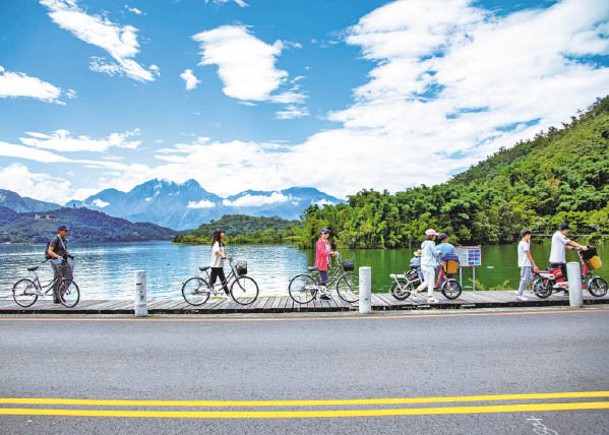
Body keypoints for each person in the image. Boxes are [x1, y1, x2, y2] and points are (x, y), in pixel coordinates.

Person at [414, 229, 441, 303]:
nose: (435, 237)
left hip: (423, 264)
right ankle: (430, 297)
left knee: (427, 281)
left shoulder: (424, 243)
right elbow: (435, 253)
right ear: (431, 236)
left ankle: (416, 292)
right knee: (431, 281)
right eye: (435, 235)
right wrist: (439, 252)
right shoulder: (431, 243)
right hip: (429, 265)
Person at [47, 225, 72, 304]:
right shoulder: (55, 239)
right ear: (60, 231)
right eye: (65, 231)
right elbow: (49, 251)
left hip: (64, 261)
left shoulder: (64, 240)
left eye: (67, 231)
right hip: (56, 261)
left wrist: (69, 255)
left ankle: (61, 294)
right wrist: (58, 256)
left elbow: (64, 250)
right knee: (58, 278)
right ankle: (56, 297)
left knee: (69, 277)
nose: (66, 232)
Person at [516, 229, 538, 301]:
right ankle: (520, 294)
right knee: (524, 279)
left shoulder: (522, 242)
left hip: (525, 264)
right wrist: (534, 264)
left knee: (530, 278)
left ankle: (520, 290)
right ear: (525, 235)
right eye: (528, 235)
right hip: (525, 264)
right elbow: (528, 255)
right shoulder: (524, 244)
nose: (530, 237)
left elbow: (528, 243)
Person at [315, 228, 337, 300]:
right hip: (321, 263)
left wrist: (333, 253)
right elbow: (322, 251)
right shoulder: (319, 242)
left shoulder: (327, 242)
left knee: (324, 279)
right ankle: (322, 295)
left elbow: (329, 250)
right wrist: (329, 253)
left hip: (326, 262)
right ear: (321, 234)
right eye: (324, 233)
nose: (326, 234)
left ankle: (319, 291)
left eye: (327, 233)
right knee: (324, 279)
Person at [209, 228, 230, 296]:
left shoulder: (220, 242)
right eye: (222, 232)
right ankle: (206, 296)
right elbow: (217, 251)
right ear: (219, 234)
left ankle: (228, 295)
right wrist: (223, 255)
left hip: (220, 265)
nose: (223, 234)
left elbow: (220, 252)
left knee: (223, 281)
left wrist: (226, 256)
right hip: (215, 265)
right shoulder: (216, 243)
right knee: (212, 282)